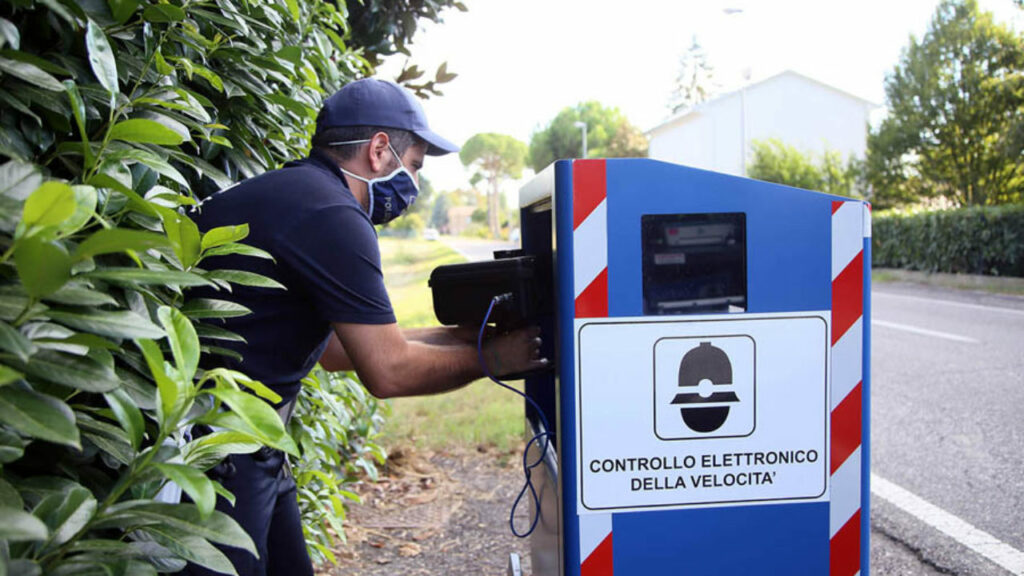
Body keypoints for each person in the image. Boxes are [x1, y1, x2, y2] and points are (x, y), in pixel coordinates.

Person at [185, 78, 546, 576]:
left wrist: (468, 337)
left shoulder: (300, 194)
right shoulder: (334, 214)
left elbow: (337, 349)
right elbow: (389, 371)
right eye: (414, 165)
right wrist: (498, 359)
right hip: (216, 450)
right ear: (379, 151)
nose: (413, 185)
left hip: (255, 441)